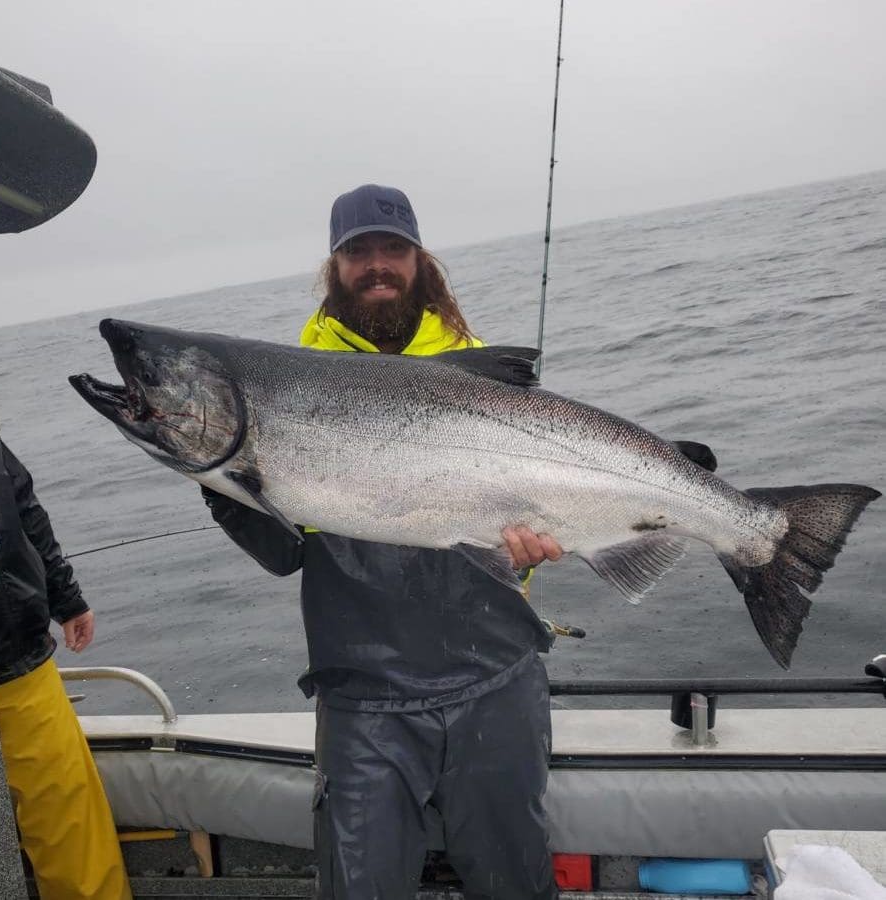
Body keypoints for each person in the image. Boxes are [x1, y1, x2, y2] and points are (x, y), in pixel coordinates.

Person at [201, 184, 717, 899]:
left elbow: (544, 516)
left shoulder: (483, 376)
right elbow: (285, 553)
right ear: (334, 267)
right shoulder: (287, 392)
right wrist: (222, 474)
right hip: (362, 698)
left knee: (515, 881)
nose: (376, 266)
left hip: (497, 681)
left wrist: (538, 547)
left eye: (393, 249)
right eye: (358, 252)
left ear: (420, 260)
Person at [0, 406, 132, 900]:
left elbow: (17, 500)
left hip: (13, 650)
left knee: (67, 815)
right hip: (12, 648)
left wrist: (64, 596)